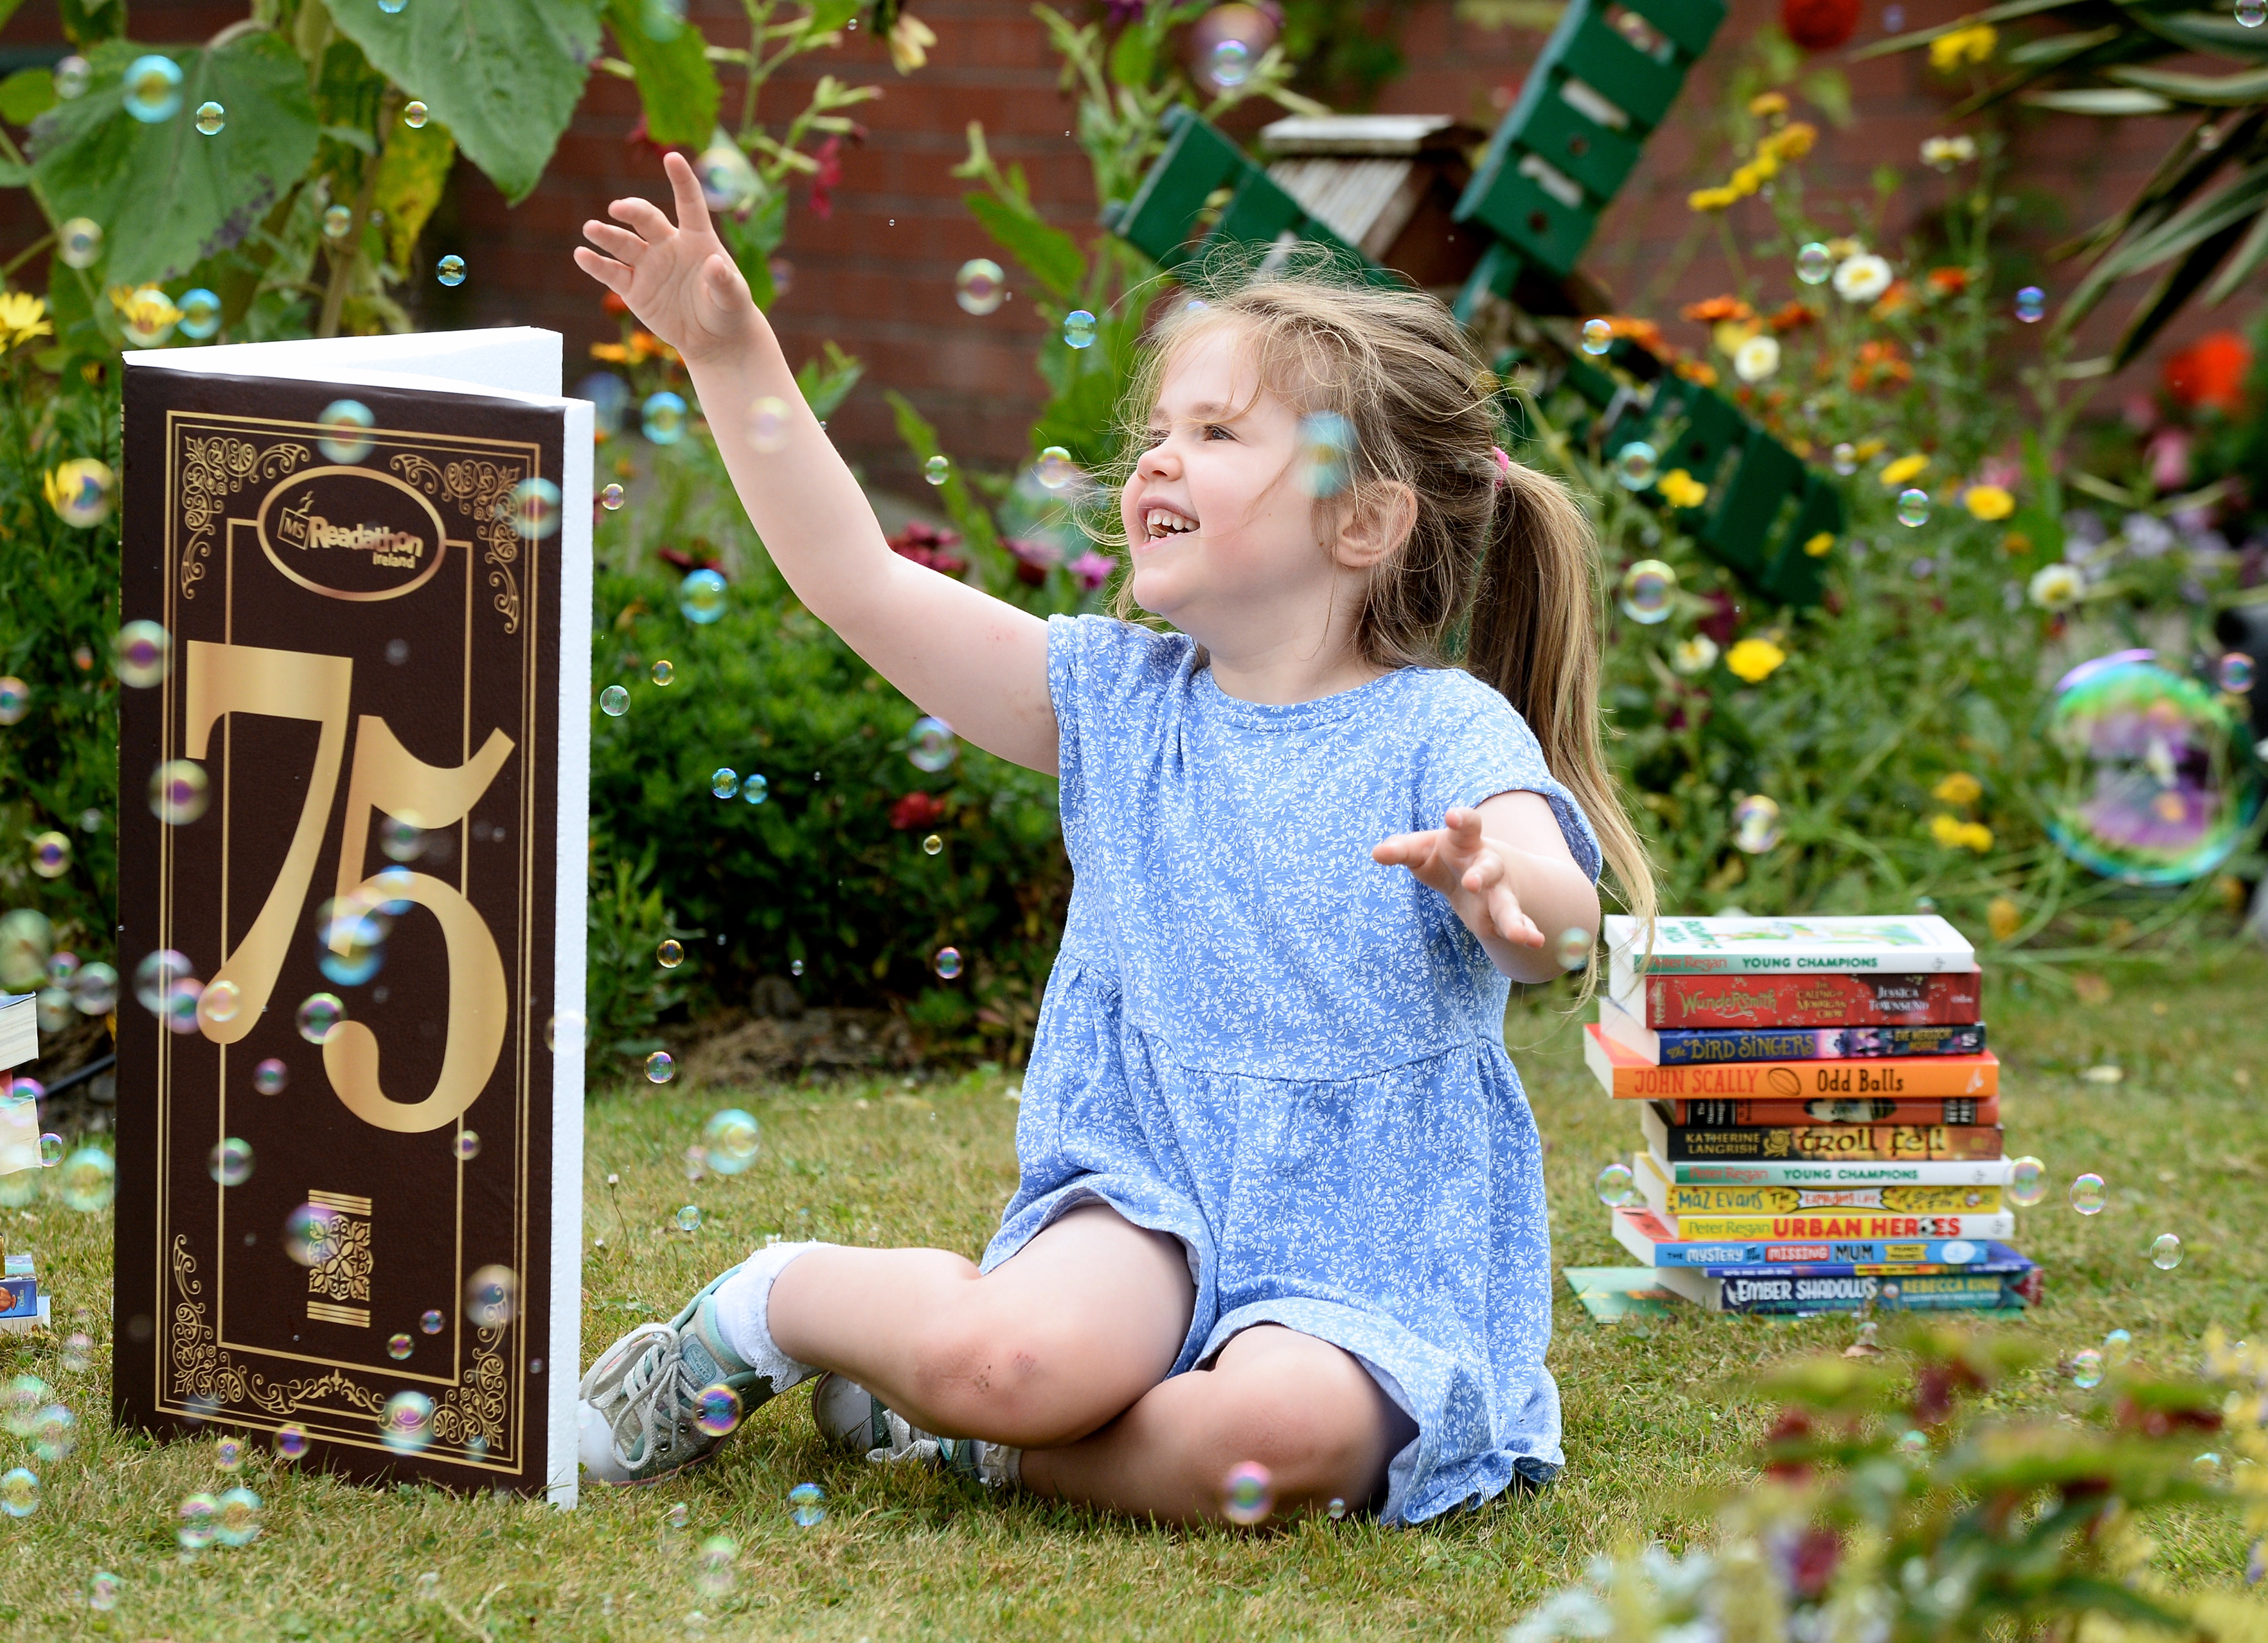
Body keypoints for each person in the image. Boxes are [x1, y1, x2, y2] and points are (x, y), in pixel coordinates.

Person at [571, 155, 1656, 1527]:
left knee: (1268, 1441)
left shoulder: (1441, 728)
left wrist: (1507, 892)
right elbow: (857, 580)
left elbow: (1559, 921)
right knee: (1005, 1362)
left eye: (1219, 433)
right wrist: (730, 354)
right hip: (1146, 1188)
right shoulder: (1118, 702)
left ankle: (959, 1444)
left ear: (1366, 518)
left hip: (1370, 1238)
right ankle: (773, 1306)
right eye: (1159, 431)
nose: (1155, 458)